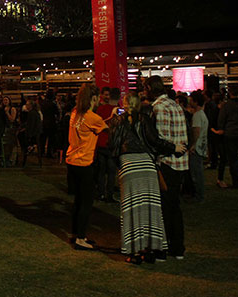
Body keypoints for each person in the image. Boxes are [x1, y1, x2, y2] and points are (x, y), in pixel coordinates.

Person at [110, 91, 182, 264]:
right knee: (152, 210)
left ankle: (133, 251)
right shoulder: (145, 118)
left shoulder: (117, 121)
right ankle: (154, 248)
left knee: (130, 210)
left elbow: (113, 145)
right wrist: (173, 148)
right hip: (147, 166)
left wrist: (120, 165)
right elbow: (154, 140)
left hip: (128, 165)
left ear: (124, 103)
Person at [145, 75, 189, 260]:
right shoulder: (175, 105)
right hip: (180, 163)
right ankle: (177, 247)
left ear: (149, 88)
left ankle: (163, 248)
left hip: (167, 163)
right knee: (174, 207)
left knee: (164, 208)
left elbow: (161, 139)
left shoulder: (159, 108)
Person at [66, 83, 109, 250]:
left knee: (78, 200)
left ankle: (76, 233)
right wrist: (114, 116)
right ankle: (81, 238)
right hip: (84, 163)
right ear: (93, 98)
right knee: (86, 202)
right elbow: (108, 128)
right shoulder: (92, 117)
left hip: (72, 161)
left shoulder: (75, 113)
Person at [94, 87, 117, 203]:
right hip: (109, 143)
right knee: (110, 172)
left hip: (102, 143)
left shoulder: (99, 109)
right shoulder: (115, 110)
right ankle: (109, 194)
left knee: (102, 171)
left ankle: (102, 193)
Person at [187, 91, 208, 202]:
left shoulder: (196, 116)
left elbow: (196, 130)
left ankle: (199, 195)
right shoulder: (202, 114)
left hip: (197, 147)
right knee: (198, 171)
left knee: (196, 172)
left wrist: (193, 144)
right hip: (201, 145)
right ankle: (199, 194)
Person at [19, 98, 43, 168]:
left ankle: (27, 147)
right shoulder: (35, 112)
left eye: (27, 104)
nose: (26, 106)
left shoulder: (32, 113)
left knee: (20, 135)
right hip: (37, 132)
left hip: (33, 133)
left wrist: (26, 132)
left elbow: (31, 125)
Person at [0, 96, 19, 166]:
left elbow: (12, 120)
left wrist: (7, 112)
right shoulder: (2, 109)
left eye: (6, 100)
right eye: (4, 100)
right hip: (5, 128)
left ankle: (12, 160)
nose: (5, 101)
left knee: (11, 144)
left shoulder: (12, 109)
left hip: (11, 128)